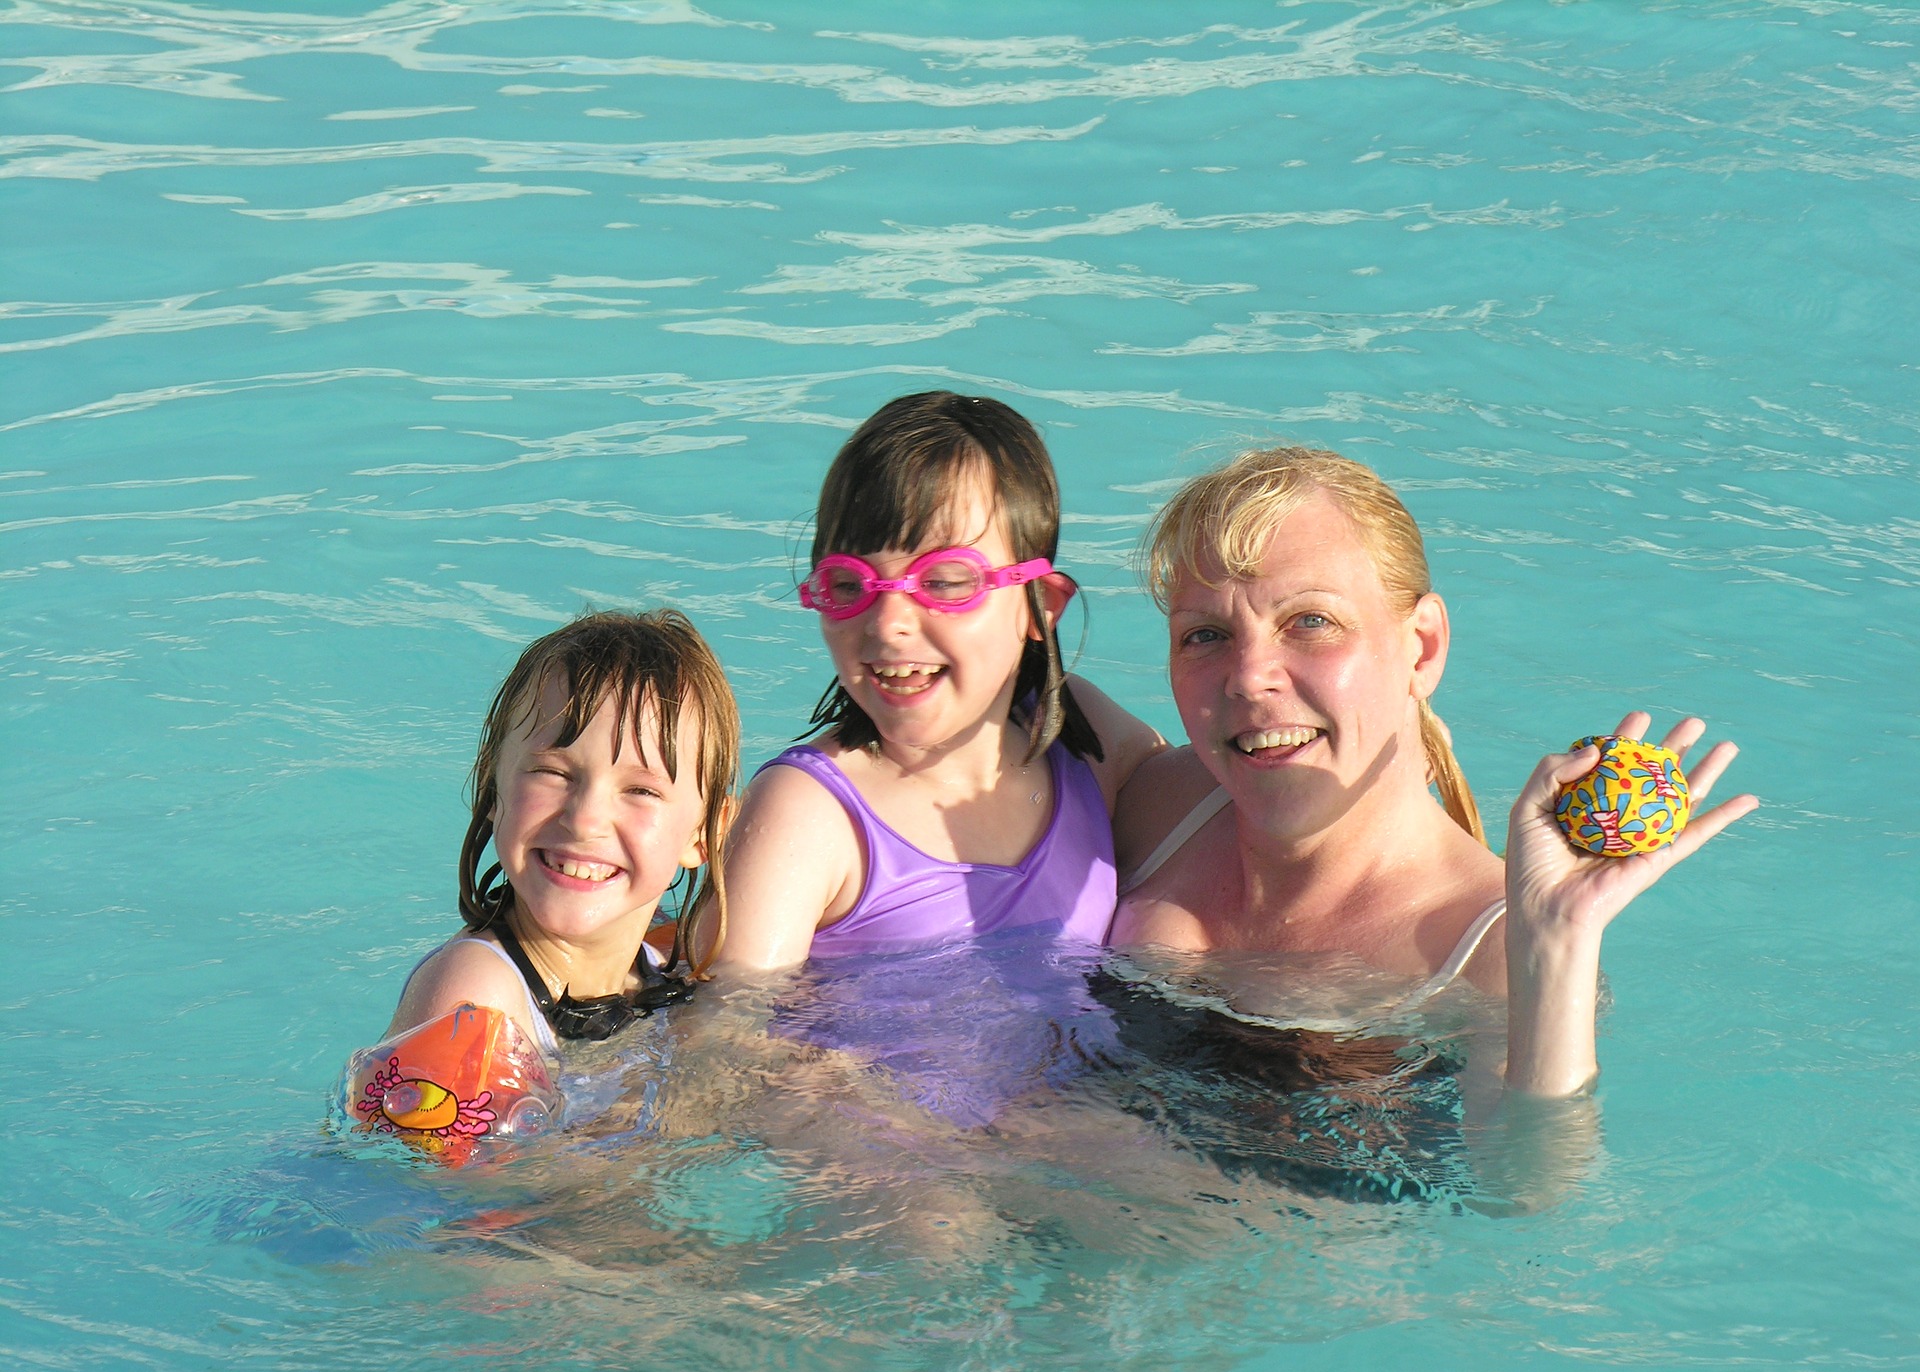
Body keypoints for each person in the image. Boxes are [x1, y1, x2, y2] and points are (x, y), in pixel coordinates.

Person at [1109, 447, 1757, 1100]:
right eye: (1205, 635)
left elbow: (1525, 1186)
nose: (1249, 678)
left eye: (1311, 622)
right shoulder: (1155, 801)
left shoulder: (1488, 953)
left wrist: (1555, 947)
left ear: (1422, 647)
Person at [710, 391, 1163, 972]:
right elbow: (727, 1037)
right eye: (850, 585)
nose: (889, 624)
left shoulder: (1083, 738)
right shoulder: (809, 815)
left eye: (946, 582)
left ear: (1041, 607)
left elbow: (1228, 814)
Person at [384, 609, 739, 1048]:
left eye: (640, 791)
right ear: (492, 787)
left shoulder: (656, 970)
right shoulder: (476, 999)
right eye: (553, 773)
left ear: (703, 833)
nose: (585, 819)